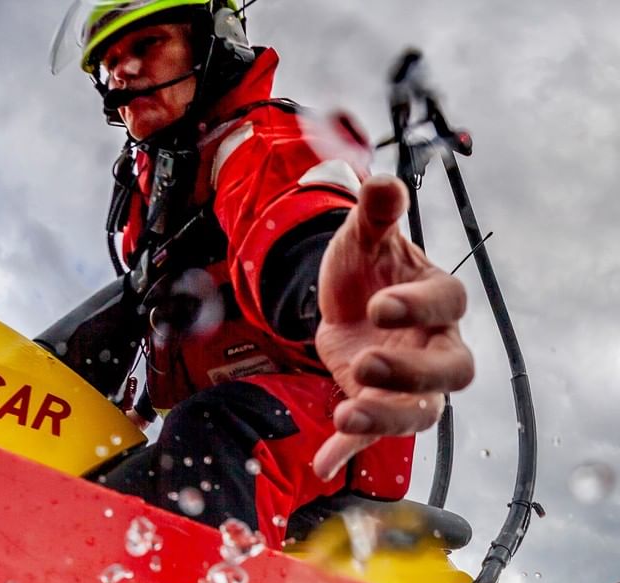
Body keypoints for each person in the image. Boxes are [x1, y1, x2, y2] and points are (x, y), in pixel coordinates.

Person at [51, 0, 474, 549]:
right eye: (110, 62)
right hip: (234, 419)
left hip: (332, 415)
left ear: (215, 40)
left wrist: (330, 284)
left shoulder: (263, 142)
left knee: (211, 428)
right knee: (91, 493)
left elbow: (296, 212)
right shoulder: (158, 197)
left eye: (147, 44)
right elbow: (153, 311)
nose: (124, 71)